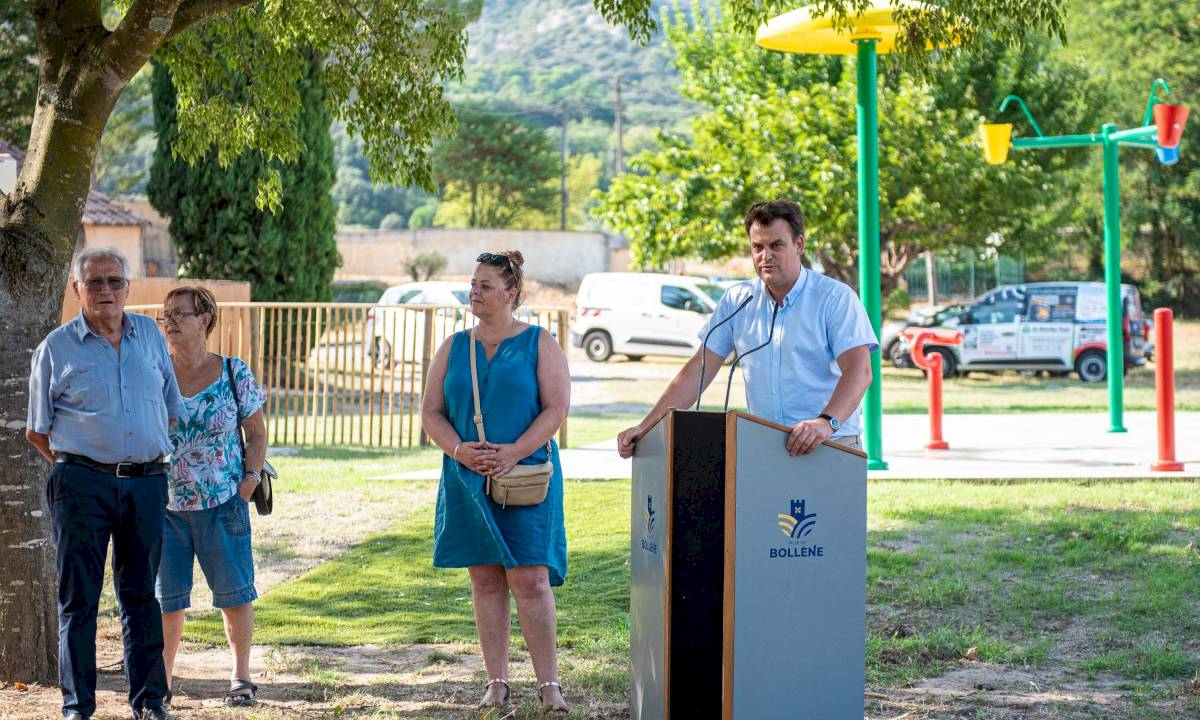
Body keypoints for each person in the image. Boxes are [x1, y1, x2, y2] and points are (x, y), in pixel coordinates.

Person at [26, 247, 182, 720]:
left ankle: (150, 702)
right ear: (77, 289)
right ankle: (78, 706)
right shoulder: (55, 347)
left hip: (147, 482)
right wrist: (85, 468)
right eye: (95, 282)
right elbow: (37, 429)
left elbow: (171, 406)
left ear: (128, 287)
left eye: (115, 281)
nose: (106, 291)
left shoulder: (151, 337)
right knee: (80, 599)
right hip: (80, 484)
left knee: (141, 596)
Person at [419, 250, 571, 716]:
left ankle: (549, 686)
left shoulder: (539, 343)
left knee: (531, 577)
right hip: (466, 479)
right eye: (473, 283)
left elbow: (555, 409)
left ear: (513, 295)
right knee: (484, 578)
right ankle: (497, 683)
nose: (475, 292)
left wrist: (513, 452)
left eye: (486, 285)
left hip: (526, 477)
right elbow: (431, 413)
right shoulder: (453, 346)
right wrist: (459, 450)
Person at [618, 199, 877, 458]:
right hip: (766, 447)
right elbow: (699, 369)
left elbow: (859, 371)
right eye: (758, 247)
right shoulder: (737, 300)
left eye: (776, 245)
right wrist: (646, 426)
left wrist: (825, 422)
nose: (766, 256)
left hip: (831, 443)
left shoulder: (835, 298)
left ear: (799, 245)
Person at [154, 287, 267, 707]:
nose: (169, 321)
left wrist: (248, 482)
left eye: (178, 314)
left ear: (204, 318)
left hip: (224, 502)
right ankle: (160, 684)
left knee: (235, 593)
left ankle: (240, 678)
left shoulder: (235, 372)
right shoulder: (155, 373)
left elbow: (256, 433)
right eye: (165, 315)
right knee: (167, 600)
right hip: (165, 507)